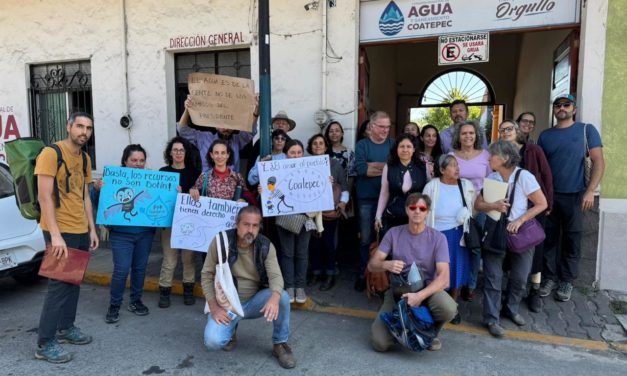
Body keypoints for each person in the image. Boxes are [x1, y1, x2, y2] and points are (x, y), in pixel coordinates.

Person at [34, 112, 98, 364]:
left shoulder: (84, 158)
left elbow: (84, 196)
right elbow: (44, 197)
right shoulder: (51, 154)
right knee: (59, 285)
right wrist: (56, 236)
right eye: (80, 126)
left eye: (88, 128)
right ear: (69, 126)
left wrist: (92, 229)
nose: (84, 132)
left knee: (74, 283)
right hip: (59, 230)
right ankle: (44, 342)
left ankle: (66, 328)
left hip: (80, 229)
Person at [201, 206, 296, 369]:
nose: (250, 230)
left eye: (255, 225)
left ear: (259, 227)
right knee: (212, 341)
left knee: (283, 297)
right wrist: (214, 307)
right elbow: (206, 274)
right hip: (227, 304)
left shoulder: (265, 245)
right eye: (246, 224)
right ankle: (231, 330)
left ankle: (280, 344)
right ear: (237, 224)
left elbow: (275, 276)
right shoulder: (221, 241)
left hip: (253, 302)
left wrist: (274, 297)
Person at [474, 141, 548, 338]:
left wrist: (520, 220)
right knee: (493, 278)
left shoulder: (525, 177)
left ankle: (511, 308)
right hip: (495, 232)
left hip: (520, 233)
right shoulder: (492, 177)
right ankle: (492, 318)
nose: (489, 158)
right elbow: (478, 204)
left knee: (520, 278)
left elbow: (542, 204)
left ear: (505, 158)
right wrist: (492, 205)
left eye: (492, 155)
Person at [369, 193, 457, 352]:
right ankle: (404, 329)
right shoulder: (394, 233)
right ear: (407, 210)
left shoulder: (438, 238)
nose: (417, 211)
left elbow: (444, 278)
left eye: (422, 208)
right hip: (398, 292)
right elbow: (372, 265)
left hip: (427, 290)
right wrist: (386, 264)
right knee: (380, 344)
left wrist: (419, 296)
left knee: (449, 308)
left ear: (427, 212)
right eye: (413, 207)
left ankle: (429, 333)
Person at [537, 94, 604, 302]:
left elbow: (599, 161)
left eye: (566, 105)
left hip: (576, 195)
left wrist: (590, 190)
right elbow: (541, 169)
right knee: (549, 239)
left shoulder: (586, 130)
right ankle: (548, 277)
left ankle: (566, 281)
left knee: (572, 239)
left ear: (574, 109)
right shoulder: (545, 135)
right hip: (549, 197)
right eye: (558, 105)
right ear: (554, 110)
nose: (562, 108)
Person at [498, 120, 553, 312]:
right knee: (511, 253)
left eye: (509, 129)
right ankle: (510, 292)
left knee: (532, 253)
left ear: (517, 131)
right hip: (508, 213)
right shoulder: (499, 155)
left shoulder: (532, 150)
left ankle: (534, 292)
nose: (505, 132)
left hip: (534, 209)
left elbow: (546, 176)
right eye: (502, 130)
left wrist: (548, 204)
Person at [105, 144, 159, 324]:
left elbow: (162, 200)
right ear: (125, 161)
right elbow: (99, 202)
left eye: (141, 160)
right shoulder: (113, 179)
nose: (138, 164)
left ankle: (136, 301)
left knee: (140, 268)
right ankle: (114, 305)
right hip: (121, 234)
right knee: (121, 270)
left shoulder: (151, 179)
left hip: (145, 233)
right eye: (134, 160)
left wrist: (175, 192)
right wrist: (97, 189)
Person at [422, 155, 475, 324]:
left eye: (457, 165)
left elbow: (473, 207)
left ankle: (453, 306)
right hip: (437, 235)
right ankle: (437, 305)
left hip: (458, 234)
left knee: (456, 272)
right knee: (436, 272)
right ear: (442, 170)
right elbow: (423, 211)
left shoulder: (465, 185)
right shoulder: (432, 186)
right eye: (452, 166)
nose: (457, 168)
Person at [273, 139, 324, 303]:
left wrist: (326, 182)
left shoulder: (312, 169)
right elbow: (272, 191)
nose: (296, 156)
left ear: (303, 153)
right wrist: (265, 189)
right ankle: (289, 286)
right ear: (286, 154)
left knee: (302, 253)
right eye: (292, 152)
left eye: (299, 152)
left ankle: (300, 287)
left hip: (306, 218)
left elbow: (320, 191)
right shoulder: (278, 170)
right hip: (285, 218)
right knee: (287, 253)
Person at [157, 137, 202, 308]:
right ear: (170, 152)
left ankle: (188, 291)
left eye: (181, 150)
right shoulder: (163, 172)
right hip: (169, 222)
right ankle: (164, 292)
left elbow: (201, 199)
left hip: (189, 222)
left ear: (186, 153)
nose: (178, 153)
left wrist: (191, 193)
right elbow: (158, 197)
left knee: (189, 259)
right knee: (169, 259)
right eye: (175, 150)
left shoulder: (194, 173)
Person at [450, 120, 491, 303]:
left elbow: (491, 181)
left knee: (475, 247)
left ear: (477, 136)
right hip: (456, 209)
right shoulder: (451, 156)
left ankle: (471, 285)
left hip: (479, 209)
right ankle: (457, 282)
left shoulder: (485, 156)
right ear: (458, 136)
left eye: (471, 133)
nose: (468, 136)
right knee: (458, 246)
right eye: (464, 133)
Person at [354, 111, 394, 291]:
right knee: (365, 239)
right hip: (366, 199)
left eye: (388, 127)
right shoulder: (362, 145)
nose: (385, 130)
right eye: (381, 127)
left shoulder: (393, 144)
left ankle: (382, 278)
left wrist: (376, 166)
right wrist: (385, 166)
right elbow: (362, 170)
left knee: (387, 239)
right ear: (371, 126)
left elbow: (394, 169)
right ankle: (363, 274)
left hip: (388, 200)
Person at [307, 134, 349, 291]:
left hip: (329, 211)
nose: (318, 146)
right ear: (311, 147)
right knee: (314, 243)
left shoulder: (335, 164)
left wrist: (343, 202)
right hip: (310, 212)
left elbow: (344, 186)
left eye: (321, 143)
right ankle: (316, 272)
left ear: (326, 147)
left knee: (329, 243)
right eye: (315, 143)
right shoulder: (304, 164)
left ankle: (330, 274)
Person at [177, 95, 259, 172]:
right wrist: (187, 109)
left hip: (232, 185)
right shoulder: (203, 138)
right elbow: (182, 130)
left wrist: (256, 111)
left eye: (229, 125)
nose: (226, 128)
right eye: (222, 124)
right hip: (209, 185)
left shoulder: (236, 140)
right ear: (215, 125)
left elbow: (250, 131)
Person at [374, 133, 427, 236]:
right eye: (401, 146)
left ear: (414, 149)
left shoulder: (422, 167)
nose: (405, 150)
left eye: (409, 146)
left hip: (417, 217)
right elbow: (384, 193)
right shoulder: (389, 167)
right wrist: (378, 216)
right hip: (393, 217)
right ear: (396, 149)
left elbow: (430, 190)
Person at [189, 139, 254, 204]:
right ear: (211, 155)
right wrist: (192, 191)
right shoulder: (204, 176)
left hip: (232, 214)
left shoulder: (237, 177)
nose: (219, 156)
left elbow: (247, 195)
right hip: (209, 213)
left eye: (223, 153)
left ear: (228, 155)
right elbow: (192, 194)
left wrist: (244, 199)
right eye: (216, 153)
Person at [324, 120, 356, 186]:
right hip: (325, 189)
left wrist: (348, 193)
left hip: (342, 191)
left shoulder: (349, 153)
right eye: (331, 131)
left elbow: (351, 176)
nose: (334, 133)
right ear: (328, 134)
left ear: (342, 133)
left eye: (337, 130)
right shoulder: (323, 151)